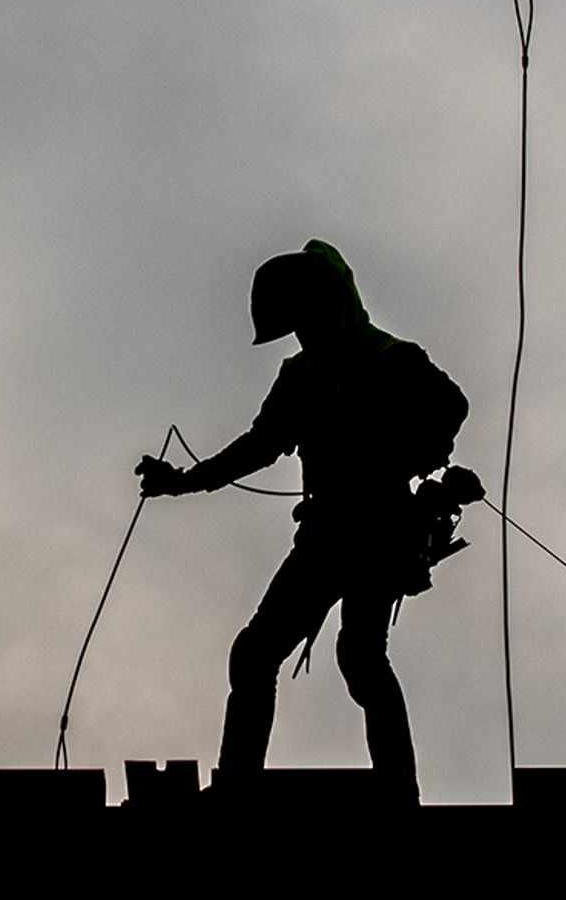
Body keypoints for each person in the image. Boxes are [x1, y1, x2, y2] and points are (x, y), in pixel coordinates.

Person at [136, 241, 471, 803]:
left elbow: (450, 407)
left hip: (382, 528)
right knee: (255, 653)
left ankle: (397, 790)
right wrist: (182, 482)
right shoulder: (299, 375)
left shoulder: (390, 356)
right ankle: (239, 784)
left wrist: (418, 458)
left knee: (360, 658)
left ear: (331, 305)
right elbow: (258, 446)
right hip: (324, 533)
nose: (302, 335)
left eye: (305, 321)